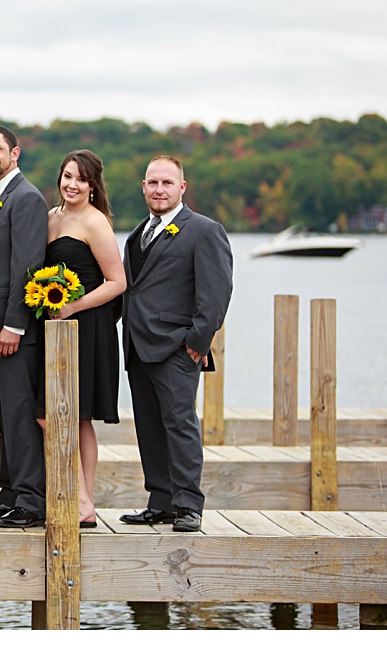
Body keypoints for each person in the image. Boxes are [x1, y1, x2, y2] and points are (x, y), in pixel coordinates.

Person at [119, 156, 232, 533]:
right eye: (152, 183)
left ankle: (188, 505)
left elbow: (215, 293)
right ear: (144, 186)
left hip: (178, 349)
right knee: (149, 427)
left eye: (167, 183)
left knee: (180, 424)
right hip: (138, 347)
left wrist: (196, 344)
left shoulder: (204, 231)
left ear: (182, 187)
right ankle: (161, 501)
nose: (159, 189)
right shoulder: (137, 234)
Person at [0, 124, 50, 528]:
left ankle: (34, 500)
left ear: (15, 154)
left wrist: (14, 325)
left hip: (14, 332)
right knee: (5, 415)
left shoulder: (27, 198)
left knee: (18, 414)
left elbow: (27, 267)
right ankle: (11, 490)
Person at [41, 150, 127, 527]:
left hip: (87, 328)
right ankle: (76, 498)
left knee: (74, 416)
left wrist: (74, 307)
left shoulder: (95, 222)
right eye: (67, 176)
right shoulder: (52, 217)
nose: (72, 184)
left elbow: (117, 282)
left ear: (93, 186)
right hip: (55, 327)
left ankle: (83, 502)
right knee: (57, 415)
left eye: (81, 179)